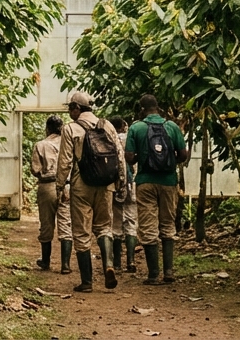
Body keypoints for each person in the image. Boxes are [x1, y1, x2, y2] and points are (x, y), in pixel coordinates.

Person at [56, 91, 125, 292]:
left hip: (81, 185)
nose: (69, 111)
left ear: (77, 108)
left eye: (70, 108)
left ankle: (87, 282)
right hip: (105, 184)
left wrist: (60, 186)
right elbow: (119, 156)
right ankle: (109, 265)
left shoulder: (70, 129)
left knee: (81, 231)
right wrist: (121, 181)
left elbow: (64, 161)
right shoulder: (107, 125)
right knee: (104, 227)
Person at [123, 93, 188, 285]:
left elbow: (128, 156)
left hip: (145, 181)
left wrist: (143, 159)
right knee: (168, 224)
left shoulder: (136, 127)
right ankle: (169, 272)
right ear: (158, 108)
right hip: (168, 181)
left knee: (148, 226)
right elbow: (183, 154)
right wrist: (168, 162)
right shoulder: (172, 126)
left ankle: (153, 274)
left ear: (142, 109)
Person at [30, 115, 73, 273]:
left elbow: (35, 169)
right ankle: (66, 265)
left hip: (47, 185)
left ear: (47, 128)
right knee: (66, 223)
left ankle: (46, 261)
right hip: (67, 187)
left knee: (46, 224)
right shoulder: (69, 143)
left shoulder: (40, 145)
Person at [110, 117, 138, 274]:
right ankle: (131, 260)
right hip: (132, 184)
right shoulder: (130, 139)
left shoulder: (109, 139)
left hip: (115, 185)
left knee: (116, 223)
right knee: (131, 222)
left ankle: (117, 263)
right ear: (123, 127)